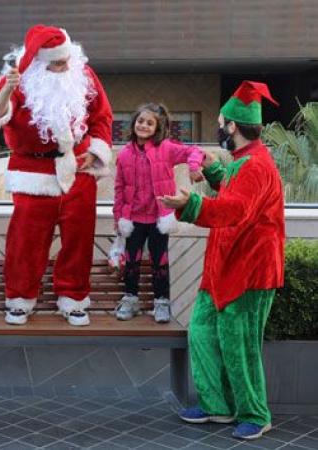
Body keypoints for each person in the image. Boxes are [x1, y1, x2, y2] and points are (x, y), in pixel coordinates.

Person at [160, 81, 284, 441]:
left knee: (239, 344)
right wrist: (214, 171)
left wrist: (190, 205)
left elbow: (236, 208)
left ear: (232, 126)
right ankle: (216, 405)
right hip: (222, 266)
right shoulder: (244, 161)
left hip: (250, 272)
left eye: (220, 123)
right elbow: (232, 188)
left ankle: (255, 414)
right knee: (201, 330)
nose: (218, 129)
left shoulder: (257, 166)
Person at [0, 24, 113, 326]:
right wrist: (7, 89)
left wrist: (96, 152)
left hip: (78, 170)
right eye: (57, 62)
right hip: (33, 173)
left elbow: (102, 117)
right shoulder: (17, 79)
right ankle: (19, 297)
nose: (66, 65)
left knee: (79, 240)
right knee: (26, 241)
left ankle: (74, 296)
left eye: (67, 58)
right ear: (39, 62)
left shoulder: (83, 72)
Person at [113, 103, 204, 323]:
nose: (143, 125)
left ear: (158, 127)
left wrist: (193, 166)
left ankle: (162, 302)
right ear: (134, 123)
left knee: (159, 260)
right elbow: (118, 188)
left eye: (149, 122)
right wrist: (118, 217)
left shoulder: (167, 148)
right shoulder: (124, 154)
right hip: (133, 218)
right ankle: (130, 299)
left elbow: (195, 151)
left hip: (158, 218)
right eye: (140, 121)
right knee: (132, 260)